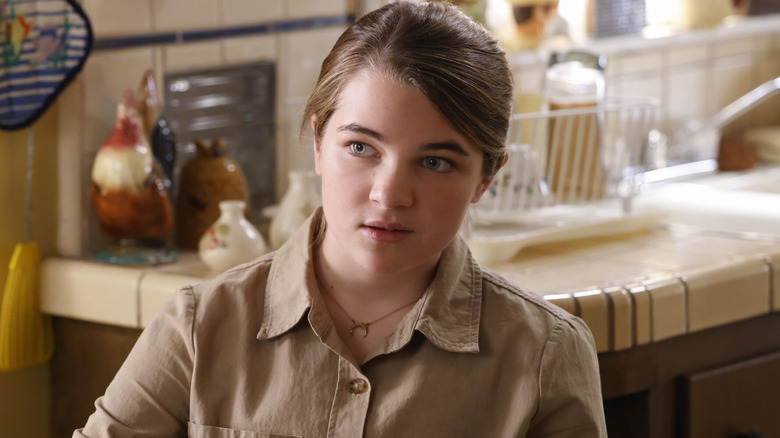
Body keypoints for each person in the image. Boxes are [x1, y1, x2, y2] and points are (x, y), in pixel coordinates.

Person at [75, 2, 606, 437]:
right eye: (360, 146)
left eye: (436, 161)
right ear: (318, 146)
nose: (389, 194)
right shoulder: (199, 328)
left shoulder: (545, 353)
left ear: (486, 178)